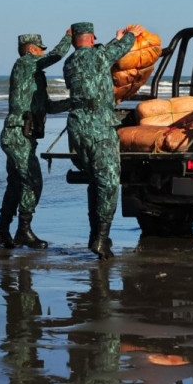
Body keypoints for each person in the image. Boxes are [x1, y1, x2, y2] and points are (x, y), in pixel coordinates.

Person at [62, 22, 138, 259]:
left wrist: (112, 41)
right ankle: (101, 239)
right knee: (108, 182)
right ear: (92, 38)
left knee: (94, 181)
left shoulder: (69, 63)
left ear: (75, 40)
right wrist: (129, 35)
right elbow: (122, 48)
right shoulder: (100, 56)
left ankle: (95, 234)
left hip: (76, 128)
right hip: (100, 127)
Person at [0, 30, 72, 249]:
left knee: (16, 185)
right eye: (39, 50)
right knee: (32, 181)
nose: (42, 54)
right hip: (17, 133)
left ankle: (2, 231)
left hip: (23, 136)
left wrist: (74, 101)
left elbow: (49, 107)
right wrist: (68, 37)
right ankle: (23, 231)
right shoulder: (24, 64)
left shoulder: (35, 78)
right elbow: (54, 56)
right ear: (30, 50)